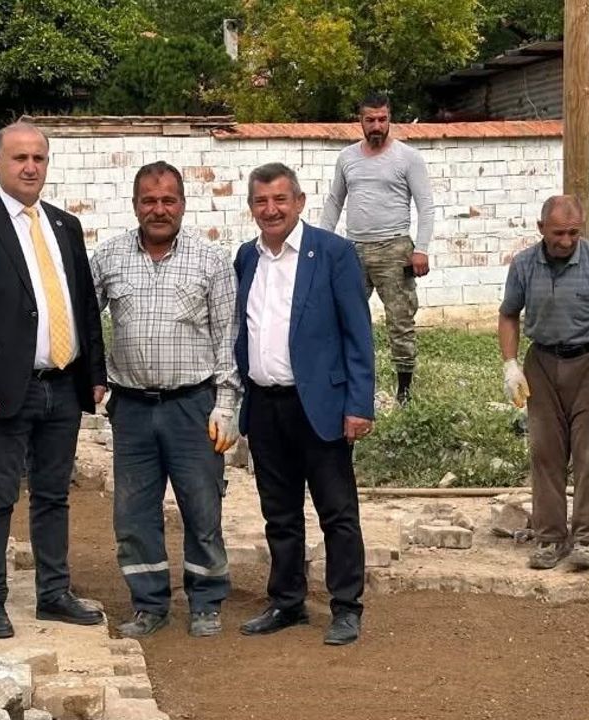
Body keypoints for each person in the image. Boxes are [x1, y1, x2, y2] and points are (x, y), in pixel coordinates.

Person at [0, 121, 107, 639]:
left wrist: (95, 372)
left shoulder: (65, 226)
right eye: (19, 158)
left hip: (63, 384)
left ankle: (53, 593)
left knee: (53, 495)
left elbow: (83, 303)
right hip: (2, 388)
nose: (30, 167)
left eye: (38, 158)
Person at [91, 161, 239, 639]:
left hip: (193, 408)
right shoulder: (109, 257)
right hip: (131, 408)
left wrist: (226, 405)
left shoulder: (211, 261)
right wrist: (92, 376)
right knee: (134, 513)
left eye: (168, 200)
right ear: (135, 205)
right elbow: (82, 320)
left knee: (202, 508)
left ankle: (206, 602)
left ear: (182, 204)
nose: (159, 209)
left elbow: (228, 338)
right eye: (149, 201)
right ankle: (149, 604)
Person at [234, 162, 375, 646]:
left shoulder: (333, 253)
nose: (271, 209)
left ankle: (346, 606)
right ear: (251, 207)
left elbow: (358, 333)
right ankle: (287, 601)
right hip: (265, 405)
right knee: (280, 513)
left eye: (280, 199)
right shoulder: (246, 258)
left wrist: (359, 404)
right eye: (261, 201)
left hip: (321, 406)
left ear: (299, 201)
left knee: (337, 512)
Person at [498, 195, 589, 571]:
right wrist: (510, 365)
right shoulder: (523, 265)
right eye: (558, 233)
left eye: (573, 233)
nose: (566, 241)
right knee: (545, 452)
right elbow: (509, 314)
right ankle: (549, 538)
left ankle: (586, 539)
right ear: (541, 229)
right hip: (543, 365)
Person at [320, 92, 434, 405]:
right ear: (360, 120)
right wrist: (320, 243)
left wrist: (422, 248)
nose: (377, 126)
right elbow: (334, 201)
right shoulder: (347, 158)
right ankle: (352, 383)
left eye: (382, 119)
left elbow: (425, 205)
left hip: (395, 248)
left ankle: (404, 390)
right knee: (346, 317)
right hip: (353, 250)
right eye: (370, 120)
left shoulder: (408, 158)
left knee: (400, 320)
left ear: (390, 119)